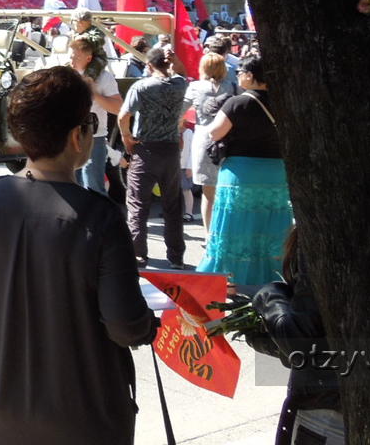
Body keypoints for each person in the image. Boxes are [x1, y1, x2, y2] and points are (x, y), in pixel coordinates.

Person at [0, 66, 157, 445]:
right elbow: (126, 326)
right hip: (80, 424)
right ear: (76, 136)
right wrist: (152, 322)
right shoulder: (100, 217)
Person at [246, 228, 344, 445]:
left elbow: (300, 342)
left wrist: (270, 296)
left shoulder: (324, 232)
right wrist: (266, 339)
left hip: (328, 411)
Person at [196, 54, 291, 286]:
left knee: (236, 228)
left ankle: (229, 281)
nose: (238, 75)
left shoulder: (238, 102)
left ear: (250, 75)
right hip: (276, 172)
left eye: (240, 71)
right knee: (270, 226)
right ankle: (272, 279)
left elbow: (215, 132)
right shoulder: (285, 101)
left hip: (242, 173)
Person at [117, 45, 190, 269]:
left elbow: (123, 116)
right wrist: (174, 58)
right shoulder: (180, 84)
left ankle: (139, 255)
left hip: (145, 149)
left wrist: (126, 137)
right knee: (173, 204)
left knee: (138, 204)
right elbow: (183, 72)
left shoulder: (142, 86)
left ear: (148, 66)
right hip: (169, 150)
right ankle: (176, 256)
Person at [183, 51, 239, 232]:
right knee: (229, 189)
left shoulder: (194, 87)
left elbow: (180, 111)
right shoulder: (234, 87)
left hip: (204, 139)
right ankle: (226, 230)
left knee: (208, 193)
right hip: (229, 139)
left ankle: (209, 235)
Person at [68, 37, 121, 195]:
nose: (71, 60)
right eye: (70, 56)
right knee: (71, 186)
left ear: (88, 58)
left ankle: (98, 219)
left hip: (93, 137)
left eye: (75, 57)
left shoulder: (104, 78)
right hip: (68, 137)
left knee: (93, 188)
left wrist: (94, 94)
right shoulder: (67, 74)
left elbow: (118, 107)